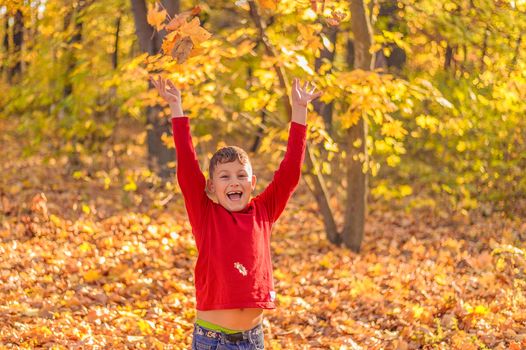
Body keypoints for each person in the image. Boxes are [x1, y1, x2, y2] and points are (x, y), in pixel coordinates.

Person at [150, 75, 322, 349]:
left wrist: (299, 111)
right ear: (211, 186)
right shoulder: (205, 215)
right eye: (225, 176)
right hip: (212, 340)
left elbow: (290, 173)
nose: (234, 182)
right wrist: (176, 109)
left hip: (253, 339)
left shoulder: (263, 211)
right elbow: (187, 169)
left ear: (252, 183)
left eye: (241, 175)